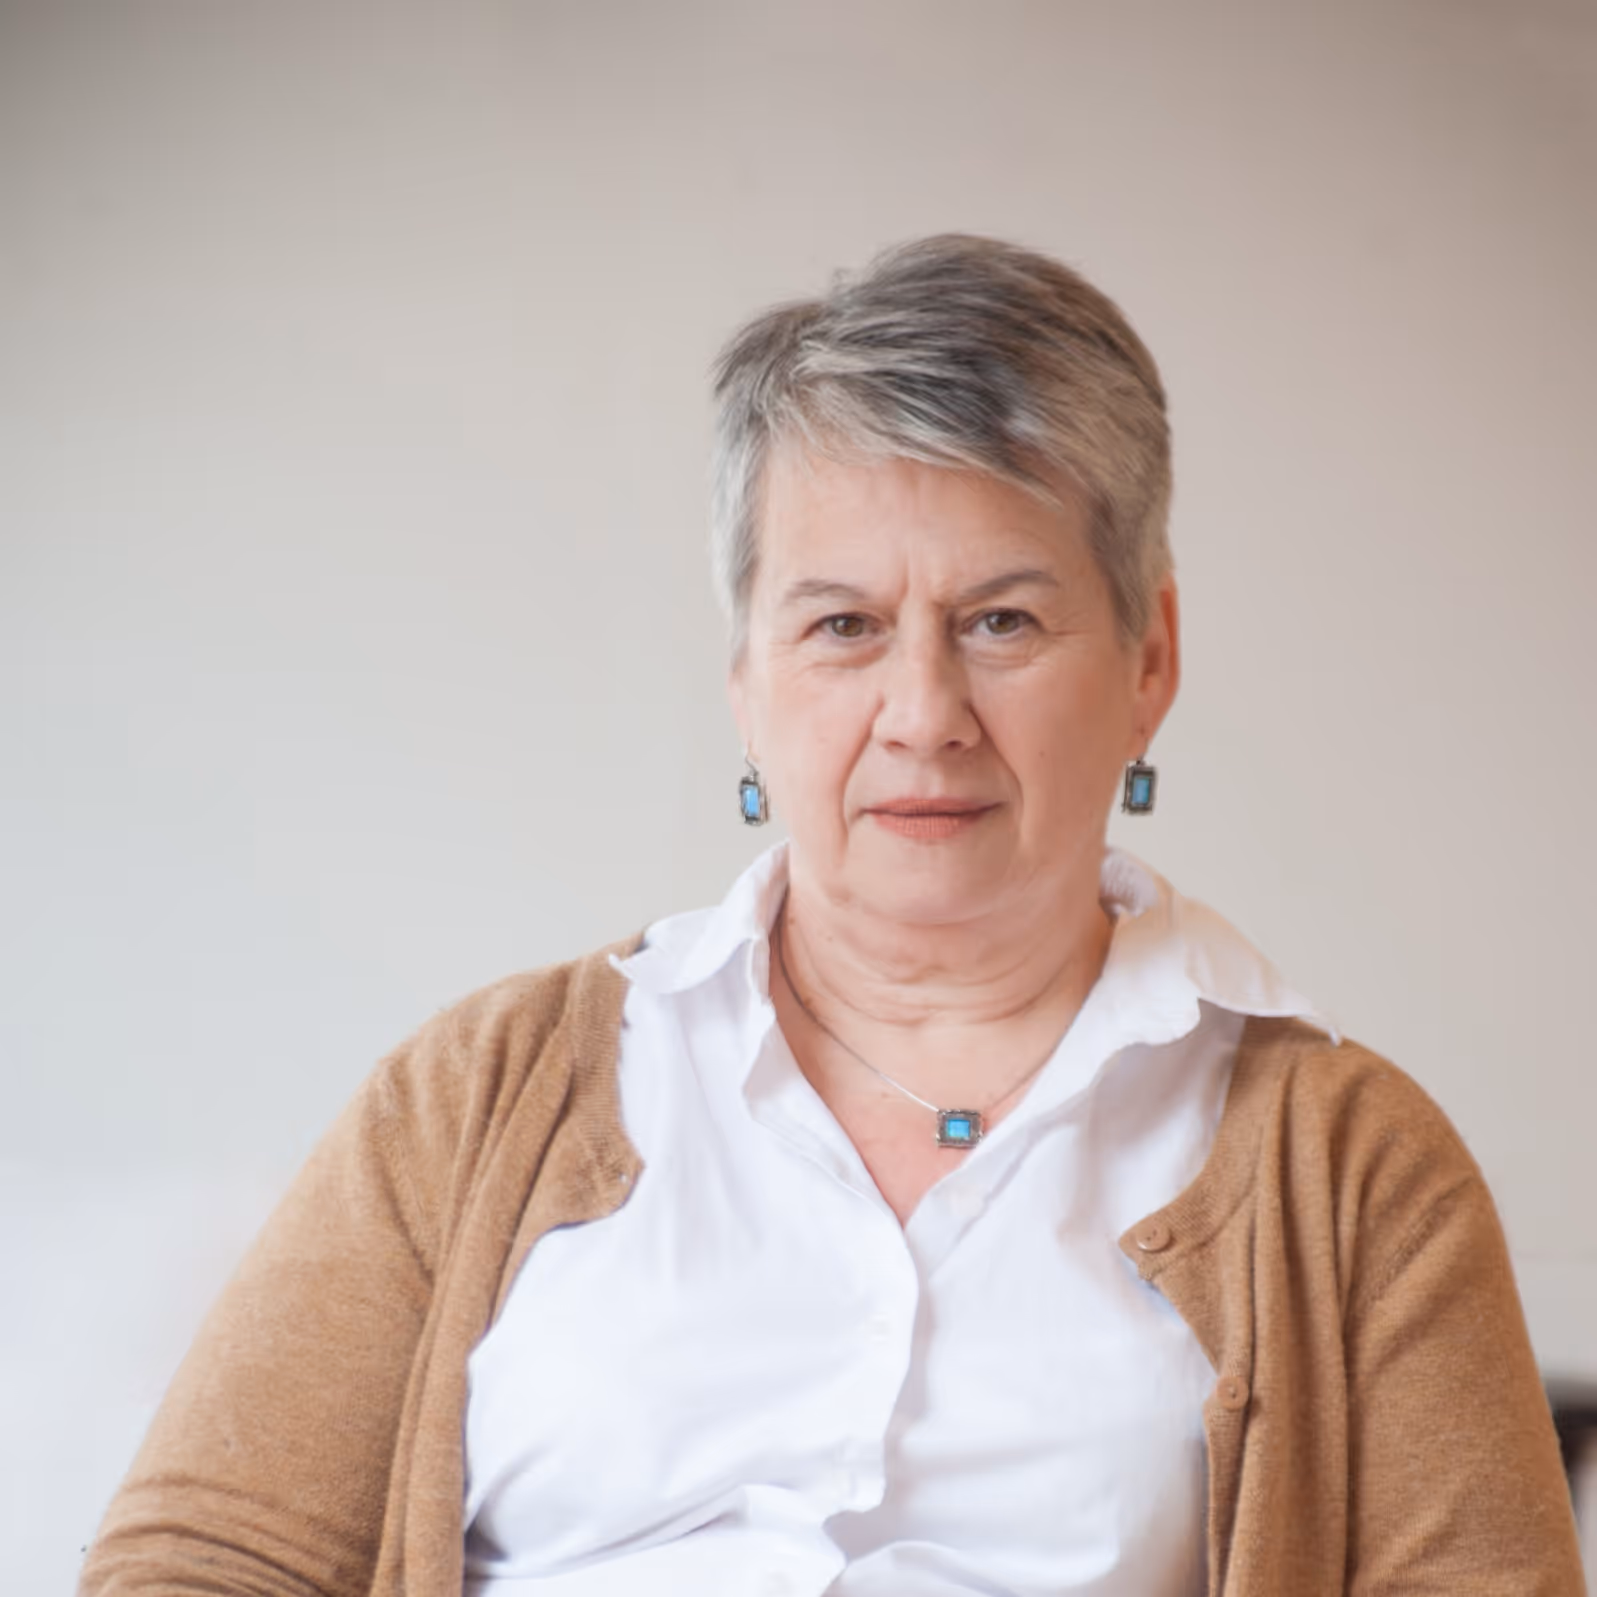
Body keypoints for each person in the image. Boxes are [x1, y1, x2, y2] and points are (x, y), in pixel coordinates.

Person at [79, 235, 1584, 1596]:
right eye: (843, 626)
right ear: (746, 677)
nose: (921, 713)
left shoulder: (1358, 1174)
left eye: (1002, 619)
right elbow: (200, 1564)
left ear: (1148, 657)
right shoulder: (481, 1097)